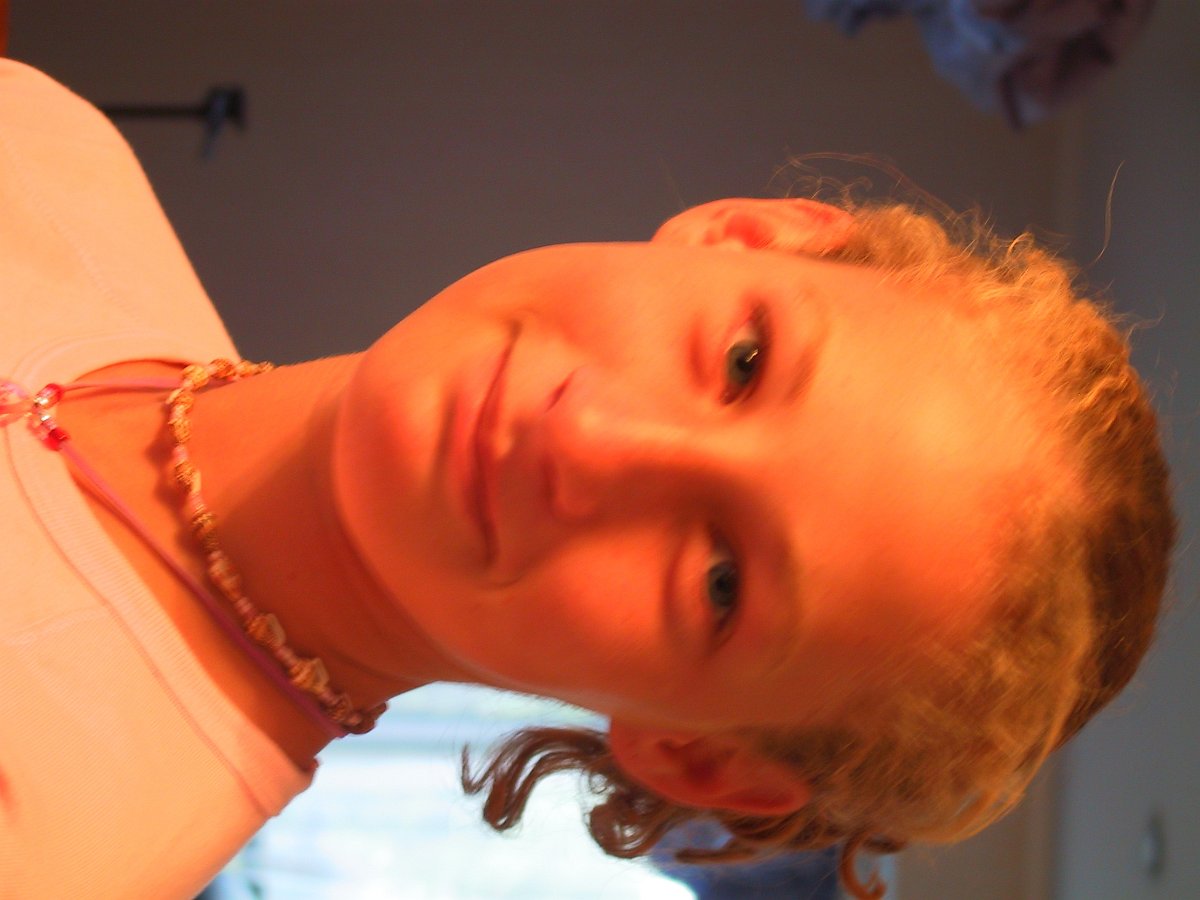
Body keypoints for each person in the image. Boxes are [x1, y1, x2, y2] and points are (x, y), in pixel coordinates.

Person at [0, 59, 1174, 900]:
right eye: (745, 361)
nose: (596, 439)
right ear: (750, 235)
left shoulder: (52, 844)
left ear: (698, 754)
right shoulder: (53, 146)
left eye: (721, 582)